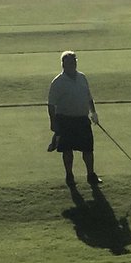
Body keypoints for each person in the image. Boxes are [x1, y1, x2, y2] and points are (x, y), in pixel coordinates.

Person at [46, 51, 101, 187]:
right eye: (71, 62)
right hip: (65, 120)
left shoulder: (82, 77)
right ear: (63, 64)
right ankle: (69, 175)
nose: (73, 64)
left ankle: (91, 175)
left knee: (88, 149)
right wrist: (53, 122)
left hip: (82, 119)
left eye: (75, 61)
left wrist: (93, 112)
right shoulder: (58, 82)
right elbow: (51, 104)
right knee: (67, 150)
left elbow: (89, 97)